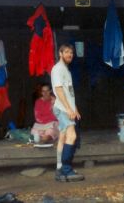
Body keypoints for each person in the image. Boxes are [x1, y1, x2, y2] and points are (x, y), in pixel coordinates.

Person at [51, 44, 84, 182]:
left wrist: (75, 109)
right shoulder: (58, 69)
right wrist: (68, 109)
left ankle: (60, 168)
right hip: (63, 108)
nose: (70, 54)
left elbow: (69, 93)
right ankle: (66, 170)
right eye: (66, 52)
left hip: (67, 108)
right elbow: (58, 91)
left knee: (63, 137)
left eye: (71, 52)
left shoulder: (66, 70)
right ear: (60, 53)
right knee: (72, 135)